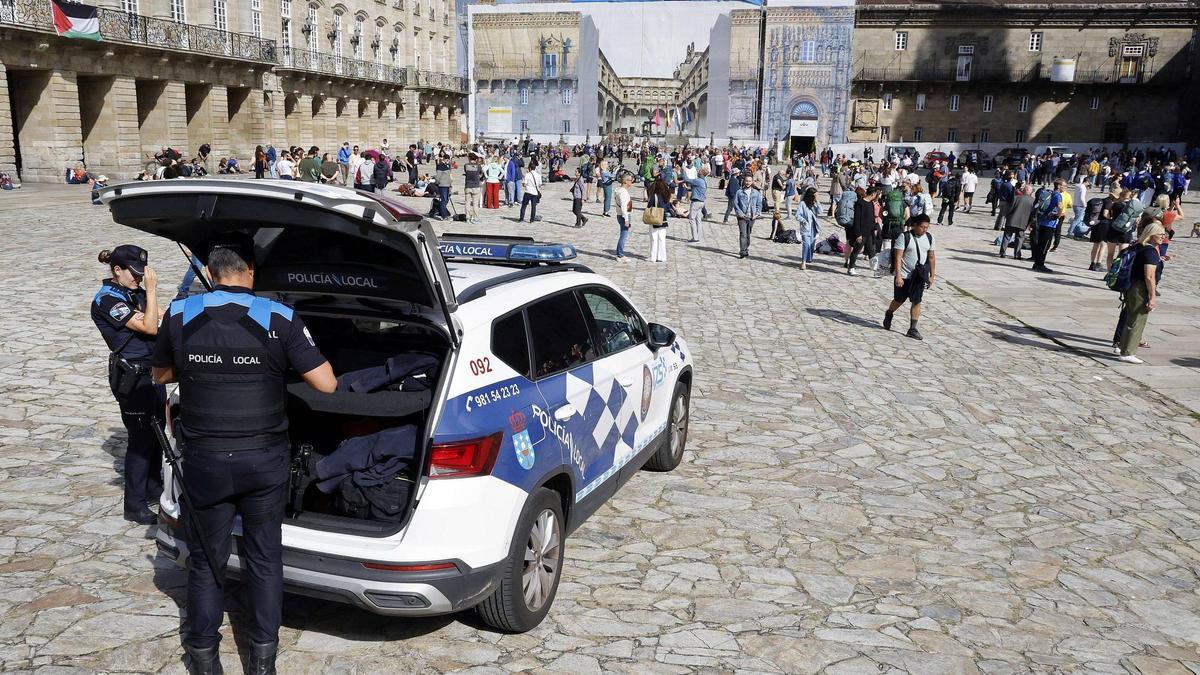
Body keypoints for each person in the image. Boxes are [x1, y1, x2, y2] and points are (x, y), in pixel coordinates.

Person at [150, 234, 337, 674]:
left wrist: (203, 363)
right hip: (263, 460)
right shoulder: (280, 316)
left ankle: (202, 656)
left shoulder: (179, 314)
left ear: (211, 275)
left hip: (204, 461)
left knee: (205, 560)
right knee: (264, 559)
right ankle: (262, 661)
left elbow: (161, 374)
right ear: (250, 271)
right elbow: (327, 384)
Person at [92, 245, 162, 526]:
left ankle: (153, 487)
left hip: (152, 373)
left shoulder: (135, 293)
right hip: (132, 378)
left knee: (157, 433)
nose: (140, 279)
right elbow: (149, 327)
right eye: (134, 274)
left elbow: (159, 316)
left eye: (142, 274)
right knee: (140, 440)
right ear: (117, 270)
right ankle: (134, 504)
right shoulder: (107, 300)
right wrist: (154, 292)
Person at [1113, 222, 1166, 364]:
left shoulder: (1137, 246)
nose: (1163, 237)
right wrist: (1152, 296)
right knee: (1137, 320)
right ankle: (1128, 352)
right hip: (1140, 288)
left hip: (1130, 286)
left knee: (1130, 318)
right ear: (1152, 235)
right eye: (1161, 234)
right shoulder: (1150, 252)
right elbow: (1149, 276)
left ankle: (1122, 347)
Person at [883, 214, 936, 341]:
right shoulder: (904, 237)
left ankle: (912, 328)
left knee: (917, 301)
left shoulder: (929, 237)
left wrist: (931, 276)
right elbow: (898, 257)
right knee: (899, 300)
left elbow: (932, 257)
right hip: (904, 275)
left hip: (919, 276)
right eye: (922, 227)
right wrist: (898, 276)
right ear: (915, 225)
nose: (925, 230)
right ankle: (889, 313)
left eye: (927, 227)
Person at [1031, 180, 1064, 272]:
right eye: (1064, 186)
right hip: (1049, 224)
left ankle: (1036, 264)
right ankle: (1040, 265)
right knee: (1045, 245)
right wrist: (1058, 215)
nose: (1065, 188)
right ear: (1058, 186)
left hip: (1042, 221)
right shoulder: (1058, 195)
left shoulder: (1051, 194)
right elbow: (1060, 206)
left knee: (1040, 244)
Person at [1000, 184, 1035, 259]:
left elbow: (1009, 209)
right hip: (1023, 222)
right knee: (1019, 238)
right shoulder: (1032, 201)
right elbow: (1033, 214)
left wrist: (1007, 216)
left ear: (1024, 190)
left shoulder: (1016, 198)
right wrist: (1030, 224)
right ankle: (1017, 254)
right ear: (1031, 192)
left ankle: (1003, 252)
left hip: (1011, 220)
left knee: (1007, 236)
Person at [849, 187, 877, 275]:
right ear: (873, 194)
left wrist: (875, 228)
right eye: (876, 194)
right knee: (857, 250)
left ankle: (875, 268)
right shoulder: (860, 203)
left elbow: (872, 217)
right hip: (861, 232)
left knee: (871, 250)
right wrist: (858, 234)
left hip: (869, 232)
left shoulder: (871, 203)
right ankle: (851, 268)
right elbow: (857, 219)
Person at [733, 176, 762, 259]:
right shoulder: (739, 192)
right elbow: (736, 204)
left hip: (752, 217)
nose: (748, 182)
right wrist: (740, 213)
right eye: (746, 181)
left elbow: (759, 204)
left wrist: (757, 213)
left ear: (752, 182)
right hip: (742, 216)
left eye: (749, 181)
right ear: (744, 181)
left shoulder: (756, 192)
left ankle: (746, 248)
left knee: (748, 235)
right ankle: (742, 251)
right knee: (743, 234)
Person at [794, 188, 820, 270]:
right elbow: (797, 215)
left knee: (811, 245)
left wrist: (817, 202)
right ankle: (803, 262)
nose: (817, 196)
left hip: (814, 228)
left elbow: (820, 211)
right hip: (806, 227)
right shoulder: (802, 204)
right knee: (806, 244)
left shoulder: (814, 204)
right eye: (815, 195)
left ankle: (808, 259)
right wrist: (804, 221)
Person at [684, 167, 708, 244]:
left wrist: (683, 170)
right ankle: (698, 236)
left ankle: (695, 238)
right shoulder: (704, 181)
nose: (698, 172)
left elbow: (687, 179)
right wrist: (687, 188)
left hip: (696, 202)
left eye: (699, 171)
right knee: (698, 220)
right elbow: (694, 189)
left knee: (692, 219)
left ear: (701, 173)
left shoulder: (698, 180)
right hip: (701, 202)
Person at [615, 173, 634, 260]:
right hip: (624, 216)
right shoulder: (622, 192)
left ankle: (619, 252)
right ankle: (620, 254)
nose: (631, 182)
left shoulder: (620, 190)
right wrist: (626, 219)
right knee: (623, 235)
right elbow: (623, 206)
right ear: (625, 181)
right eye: (630, 180)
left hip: (624, 215)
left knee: (624, 234)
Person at [463, 153, 482, 223]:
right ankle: (475, 217)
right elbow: (480, 173)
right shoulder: (478, 166)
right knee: (475, 204)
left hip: (468, 185)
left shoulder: (466, 166)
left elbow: (466, 172)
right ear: (476, 159)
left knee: (467, 203)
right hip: (476, 186)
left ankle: (467, 217)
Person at [435, 153, 452, 219]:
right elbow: (438, 176)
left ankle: (443, 211)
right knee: (443, 200)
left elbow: (449, 176)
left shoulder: (447, 166)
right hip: (442, 185)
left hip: (447, 185)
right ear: (444, 159)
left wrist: (450, 184)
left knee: (446, 200)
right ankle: (444, 215)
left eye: (448, 159)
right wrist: (438, 183)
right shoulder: (440, 166)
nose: (448, 160)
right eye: (447, 159)